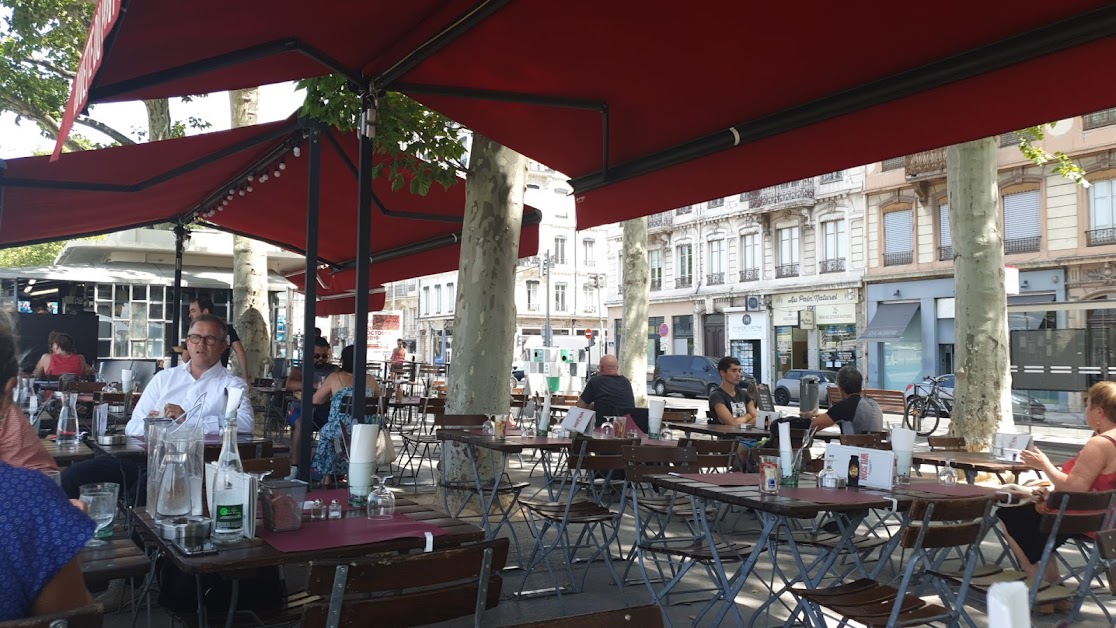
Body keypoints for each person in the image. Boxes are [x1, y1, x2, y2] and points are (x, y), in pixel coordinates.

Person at [61, 315, 253, 500]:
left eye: (210, 339)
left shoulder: (232, 384)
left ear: (223, 346)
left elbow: (245, 423)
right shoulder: (164, 378)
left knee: (143, 490)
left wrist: (188, 420)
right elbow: (133, 426)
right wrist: (154, 425)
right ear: (187, 342)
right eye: (195, 337)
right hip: (142, 458)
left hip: (192, 465)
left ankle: (134, 529)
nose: (200, 344)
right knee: (71, 477)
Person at [0, 311, 94, 619]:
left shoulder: (35, 502)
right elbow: (76, 620)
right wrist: (55, 521)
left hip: (56, 406)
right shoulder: (31, 501)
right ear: (9, 392)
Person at [998, 381, 1116, 591]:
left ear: (1099, 412)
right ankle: (1053, 590)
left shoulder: (1100, 444)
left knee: (1011, 516)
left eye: (1087, 406)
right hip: (1108, 518)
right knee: (1035, 520)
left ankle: (1044, 591)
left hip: (1091, 520)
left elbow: (1073, 490)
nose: (1084, 412)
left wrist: (1044, 465)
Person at [311, 345, 382, 482]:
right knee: (338, 436)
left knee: (328, 432)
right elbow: (379, 401)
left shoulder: (335, 377)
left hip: (342, 431)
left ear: (343, 360)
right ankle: (351, 474)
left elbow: (316, 400)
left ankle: (327, 477)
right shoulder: (370, 380)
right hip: (365, 431)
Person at [285, 338, 338, 478]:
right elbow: (289, 385)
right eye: (316, 356)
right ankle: (295, 466)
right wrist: (314, 385)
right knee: (302, 424)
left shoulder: (334, 371)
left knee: (339, 426)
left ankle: (330, 470)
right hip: (300, 409)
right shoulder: (300, 369)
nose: (320, 359)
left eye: (324, 356)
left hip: (325, 411)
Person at [805, 365, 882, 434]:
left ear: (840, 388)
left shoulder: (845, 406)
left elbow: (812, 425)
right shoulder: (874, 404)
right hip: (875, 448)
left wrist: (806, 417)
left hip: (854, 449)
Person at [189, 296, 249, 377]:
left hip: (197, 375)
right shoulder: (227, 329)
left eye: (193, 311)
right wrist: (245, 376)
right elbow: (240, 352)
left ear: (205, 311)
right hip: (220, 375)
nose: (190, 315)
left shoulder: (194, 332)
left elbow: (186, 357)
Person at [576, 354, 635, 426]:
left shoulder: (596, 381)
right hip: (626, 427)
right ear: (617, 368)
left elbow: (580, 406)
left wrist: (593, 405)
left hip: (604, 429)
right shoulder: (626, 382)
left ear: (601, 368)